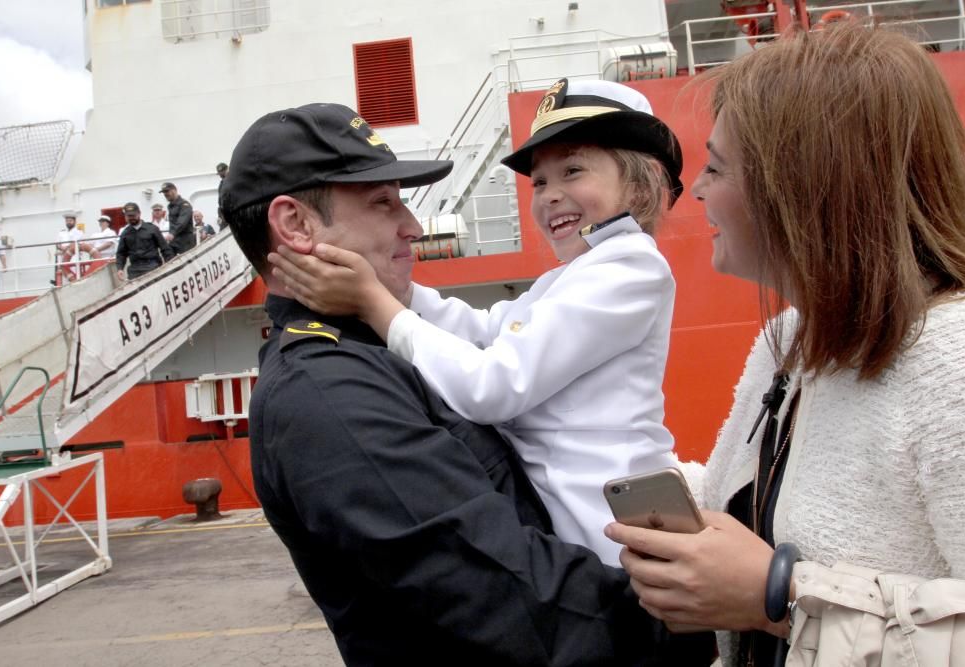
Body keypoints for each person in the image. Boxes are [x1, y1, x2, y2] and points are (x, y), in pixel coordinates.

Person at [220, 102, 714, 665]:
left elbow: (485, 354)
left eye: (572, 171)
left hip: (606, 537)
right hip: (614, 585)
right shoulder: (329, 392)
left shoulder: (621, 267)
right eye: (383, 202)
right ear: (296, 225)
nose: (412, 224)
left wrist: (386, 299)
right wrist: (683, 637)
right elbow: (507, 594)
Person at [603, 23, 965, 666]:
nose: (696, 190)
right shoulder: (790, 341)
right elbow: (748, 500)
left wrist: (782, 600)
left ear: (800, 188)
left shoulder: (957, 364)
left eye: (716, 167)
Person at [268, 79, 685, 566]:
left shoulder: (631, 266)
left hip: (612, 541)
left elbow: (493, 387)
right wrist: (393, 287)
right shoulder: (575, 274)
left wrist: (374, 302)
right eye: (541, 182)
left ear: (641, 182)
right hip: (579, 526)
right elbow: (487, 329)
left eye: (572, 170)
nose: (550, 195)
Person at [116, 201, 175, 280]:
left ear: (139, 214)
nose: (131, 218)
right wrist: (120, 268)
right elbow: (121, 254)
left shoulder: (152, 229)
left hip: (153, 267)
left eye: (133, 215)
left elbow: (165, 248)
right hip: (135, 270)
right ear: (125, 217)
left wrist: (170, 264)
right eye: (129, 216)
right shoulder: (125, 234)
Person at [159, 181, 196, 253]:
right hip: (174, 241)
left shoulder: (184, 205)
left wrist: (172, 233)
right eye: (164, 192)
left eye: (167, 191)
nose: (165, 194)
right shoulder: (170, 206)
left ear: (174, 190)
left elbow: (182, 222)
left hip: (185, 242)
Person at [57, 213, 89, 283]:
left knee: (74, 274)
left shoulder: (79, 232)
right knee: (64, 277)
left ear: (74, 221)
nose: (68, 222)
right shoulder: (61, 233)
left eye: (70, 220)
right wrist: (62, 248)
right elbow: (58, 244)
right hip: (62, 257)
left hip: (74, 257)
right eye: (67, 221)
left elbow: (76, 244)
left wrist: (66, 249)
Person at [215, 161, 228, 229]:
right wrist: (220, 215)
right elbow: (220, 202)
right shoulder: (221, 184)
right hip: (224, 214)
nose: (221, 175)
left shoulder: (233, 181)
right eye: (220, 173)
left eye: (222, 172)